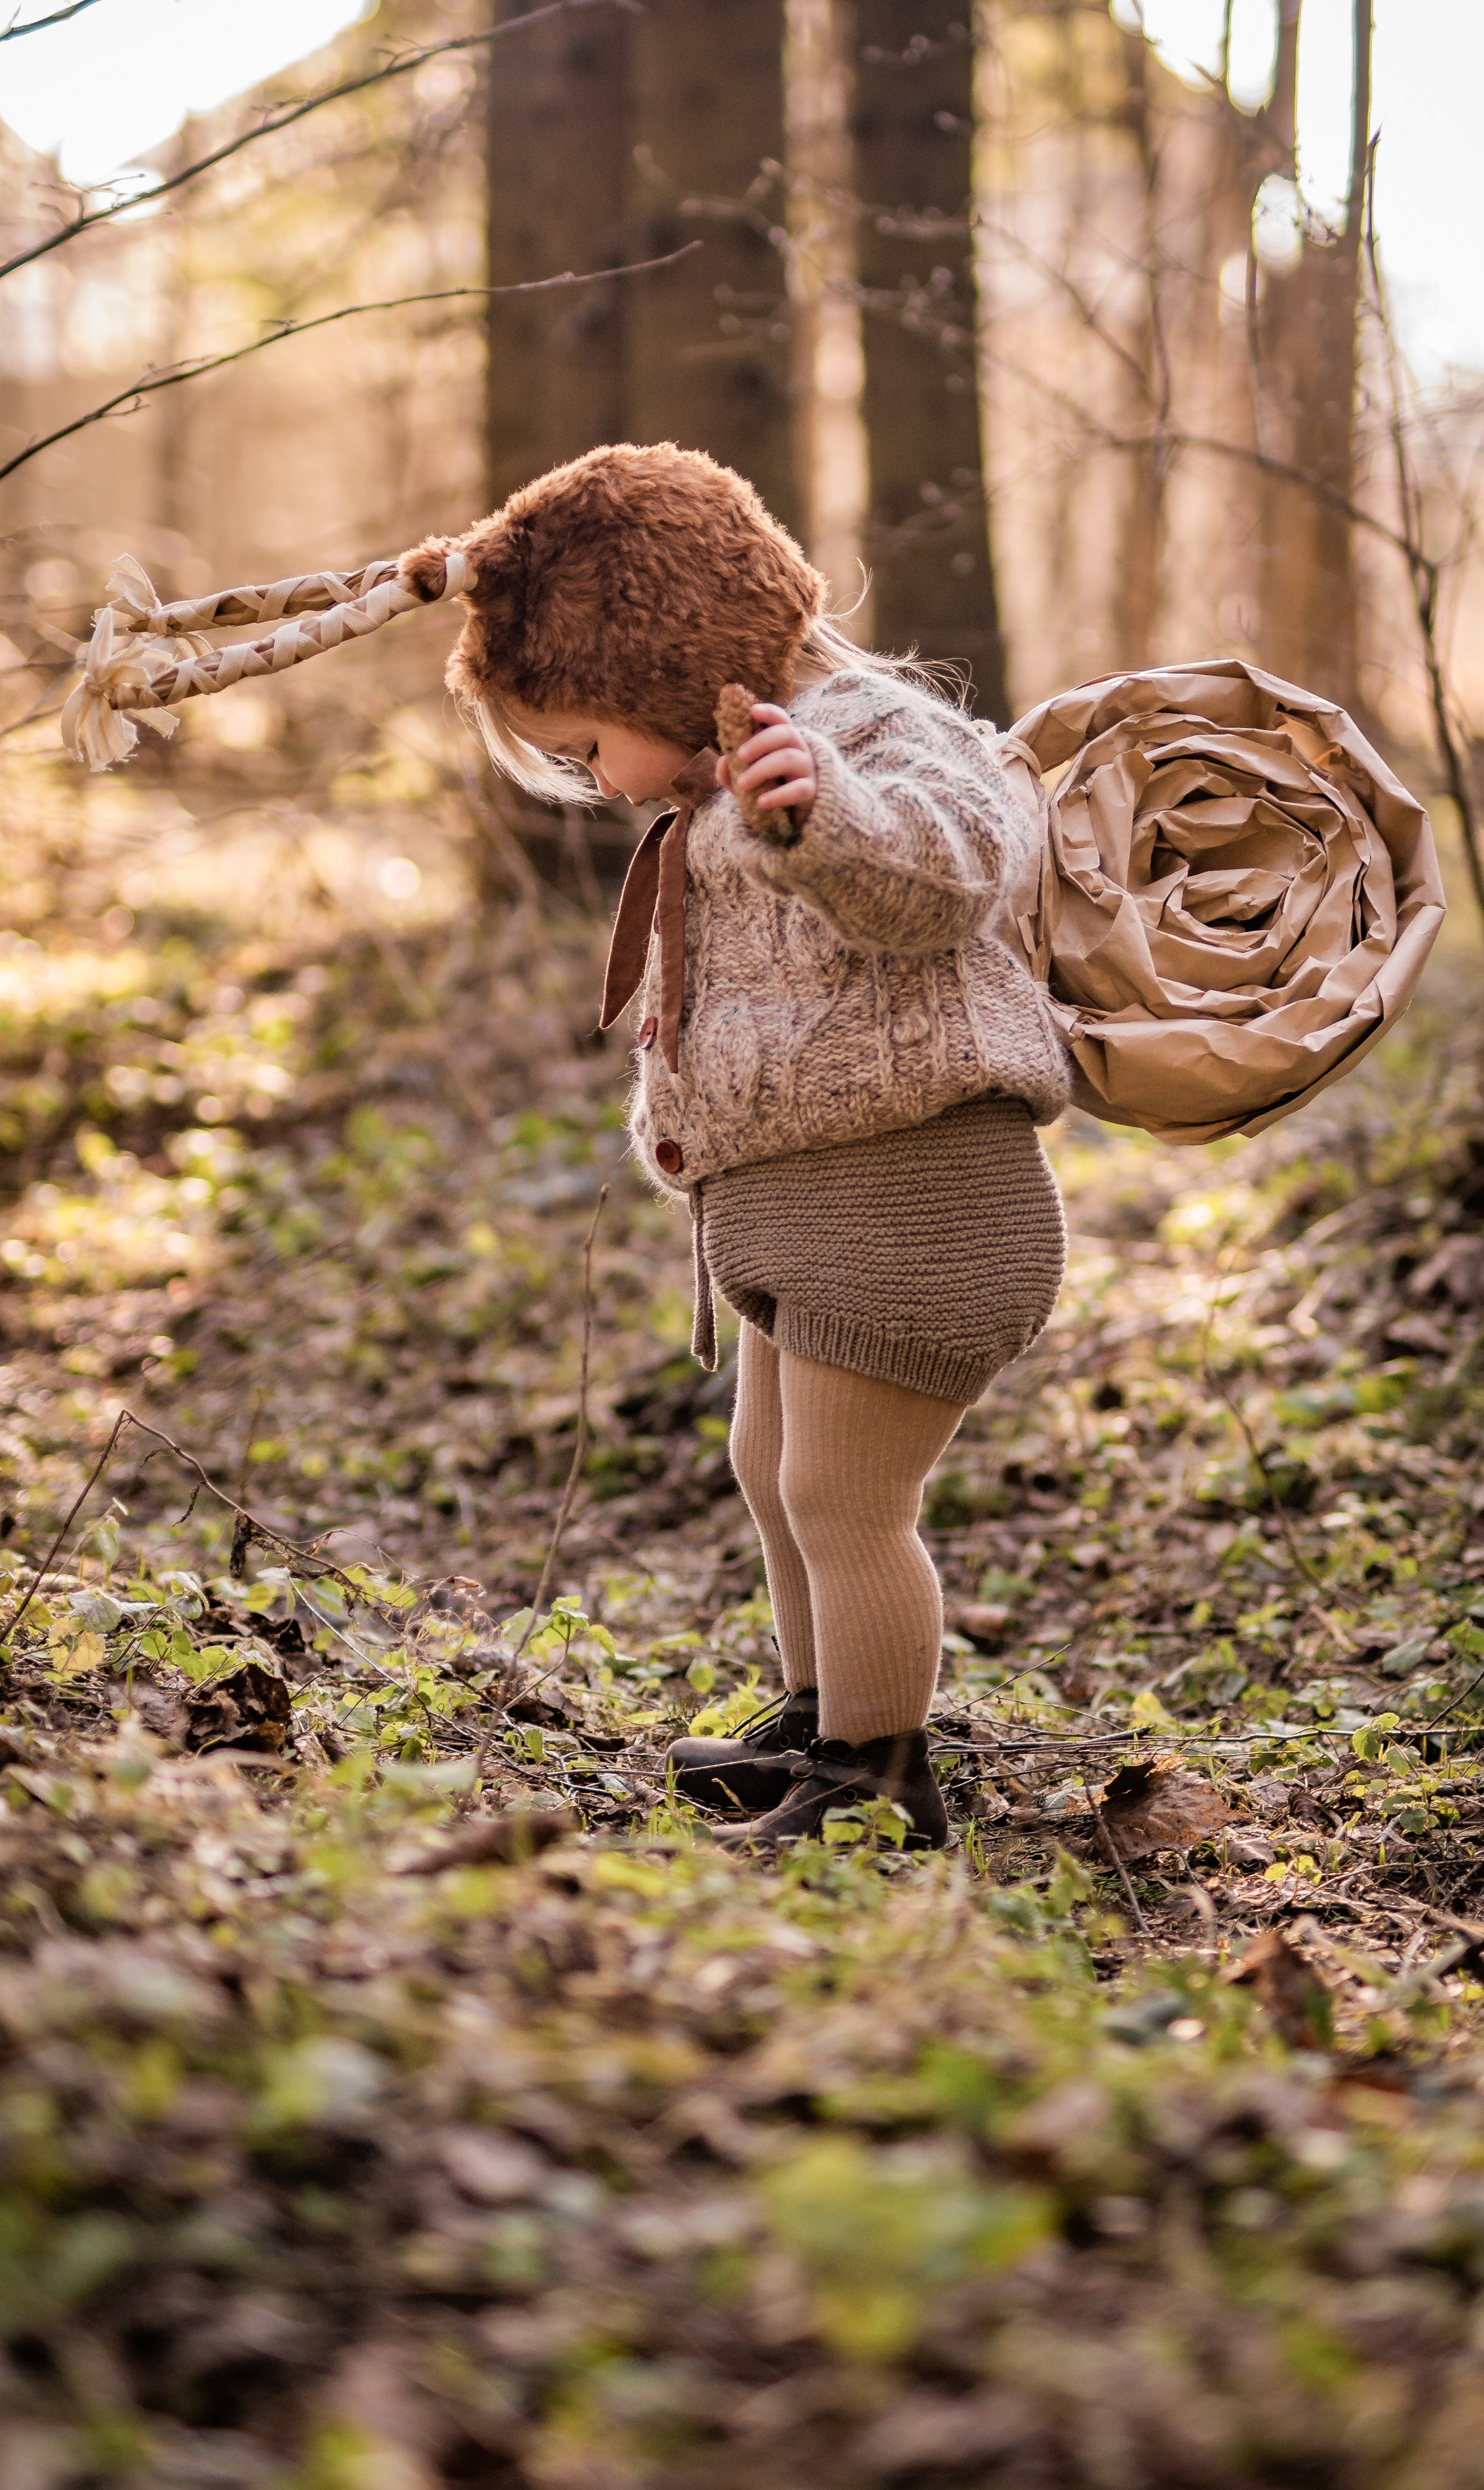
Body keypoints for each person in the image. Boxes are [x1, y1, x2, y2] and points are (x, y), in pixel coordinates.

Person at [402, 440, 1071, 1850]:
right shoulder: (710, 792)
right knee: (768, 1468)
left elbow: (948, 880)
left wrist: (819, 815)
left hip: (918, 1202)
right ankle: (820, 1714)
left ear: (661, 662)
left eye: (588, 747)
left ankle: (880, 1776)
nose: (598, 781)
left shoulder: (876, 738)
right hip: (804, 1207)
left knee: (843, 1493)